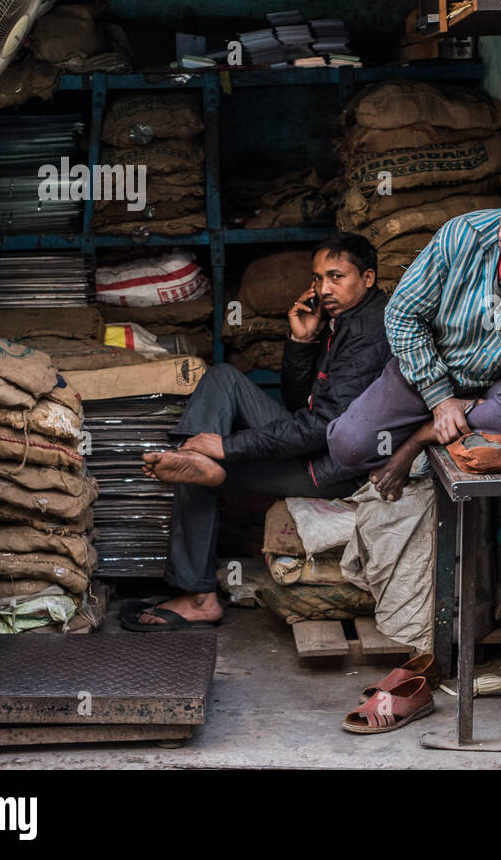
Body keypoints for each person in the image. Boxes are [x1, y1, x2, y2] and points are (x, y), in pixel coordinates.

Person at [127, 233, 391, 630]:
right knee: (224, 379)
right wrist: (302, 341)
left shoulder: (370, 331)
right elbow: (300, 402)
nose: (324, 289)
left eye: (337, 277)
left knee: (200, 469)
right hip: (314, 446)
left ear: (368, 278)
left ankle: (199, 596)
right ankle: (193, 458)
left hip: (331, 468)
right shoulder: (342, 321)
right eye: (318, 278)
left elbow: (322, 425)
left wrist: (228, 447)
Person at [326, 153, 501, 501]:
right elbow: (403, 315)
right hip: (433, 367)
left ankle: (424, 436)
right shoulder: (462, 234)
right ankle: (451, 417)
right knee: (348, 447)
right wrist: (441, 398)